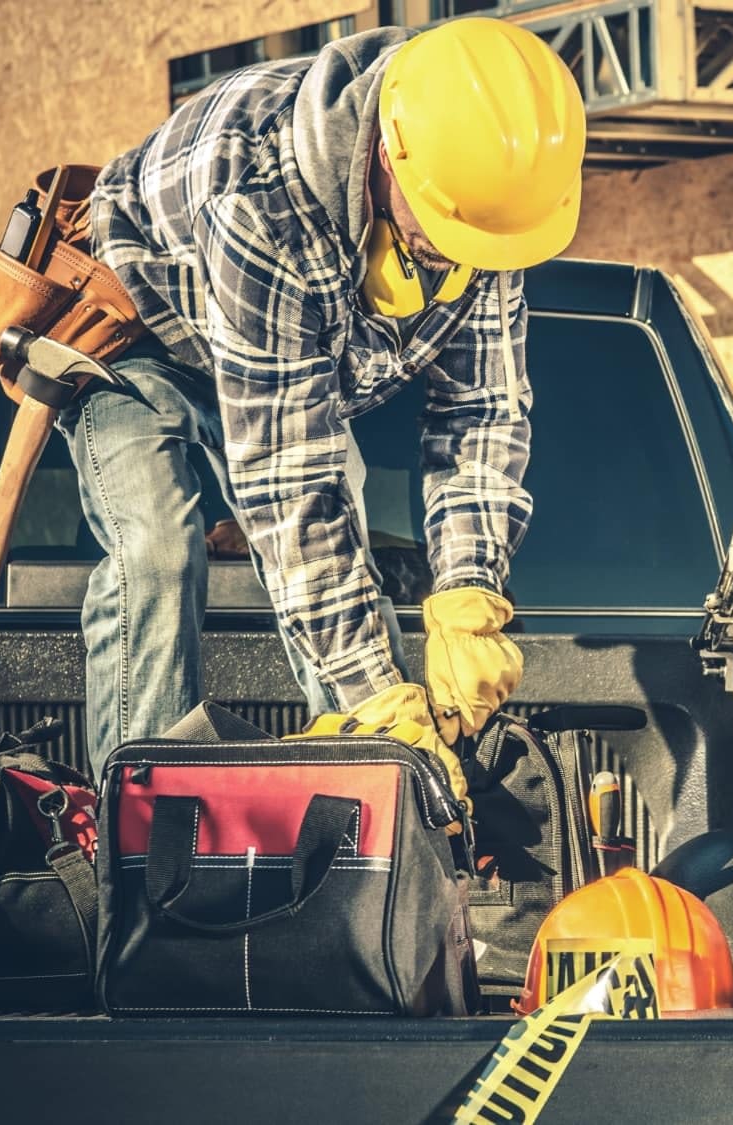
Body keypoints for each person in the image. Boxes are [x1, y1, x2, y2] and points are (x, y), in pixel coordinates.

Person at [73, 18, 586, 800]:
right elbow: (289, 484)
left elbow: (481, 412)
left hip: (284, 349)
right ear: (389, 154)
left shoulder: (483, 198)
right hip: (141, 328)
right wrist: (379, 702)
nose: (466, 262)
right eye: (447, 239)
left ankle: (359, 838)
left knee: (349, 572)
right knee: (159, 553)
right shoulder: (261, 198)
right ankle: (137, 832)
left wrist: (469, 587)